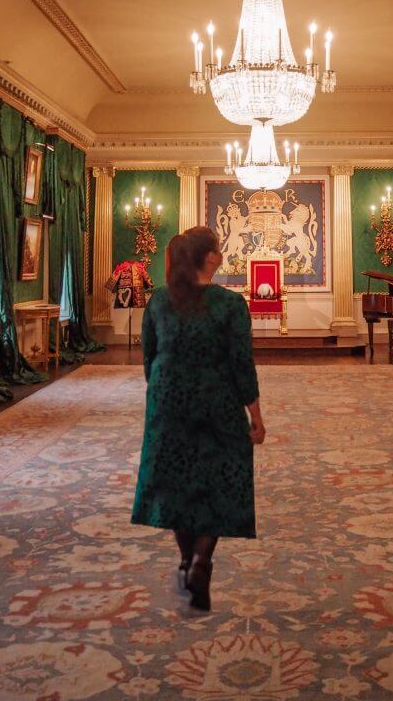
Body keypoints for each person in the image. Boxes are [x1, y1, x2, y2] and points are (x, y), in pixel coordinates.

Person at [131, 225, 265, 612]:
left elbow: (148, 358)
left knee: (175, 479)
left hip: (168, 400)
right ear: (209, 257)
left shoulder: (158, 301)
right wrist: (255, 415)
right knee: (220, 479)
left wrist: (162, 395)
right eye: (220, 250)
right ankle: (202, 562)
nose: (222, 254)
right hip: (217, 402)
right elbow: (242, 364)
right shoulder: (230, 304)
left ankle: (187, 559)